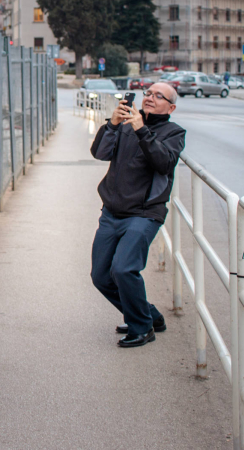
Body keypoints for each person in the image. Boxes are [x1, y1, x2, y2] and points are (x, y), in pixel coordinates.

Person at [89, 83, 186, 348]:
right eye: (148, 94)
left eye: (159, 96)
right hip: (112, 211)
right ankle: (147, 315)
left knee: (123, 269)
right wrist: (112, 124)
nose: (151, 98)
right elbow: (99, 153)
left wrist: (141, 129)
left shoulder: (173, 132)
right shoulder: (125, 123)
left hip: (143, 214)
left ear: (171, 107)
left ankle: (142, 327)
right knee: (100, 276)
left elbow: (165, 162)